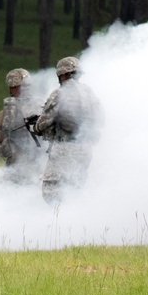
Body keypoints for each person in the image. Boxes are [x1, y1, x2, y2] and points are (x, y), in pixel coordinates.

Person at [32, 56, 103, 204]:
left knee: (52, 191)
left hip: (64, 149)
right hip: (85, 150)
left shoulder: (60, 93)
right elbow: (101, 118)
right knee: (74, 190)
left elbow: (43, 123)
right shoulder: (89, 93)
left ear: (63, 74)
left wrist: (36, 126)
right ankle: (72, 221)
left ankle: (57, 223)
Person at [0, 68, 42, 183]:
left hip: (17, 166)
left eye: (11, 87)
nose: (10, 90)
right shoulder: (41, 105)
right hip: (39, 163)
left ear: (14, 87)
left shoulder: (9, 110)